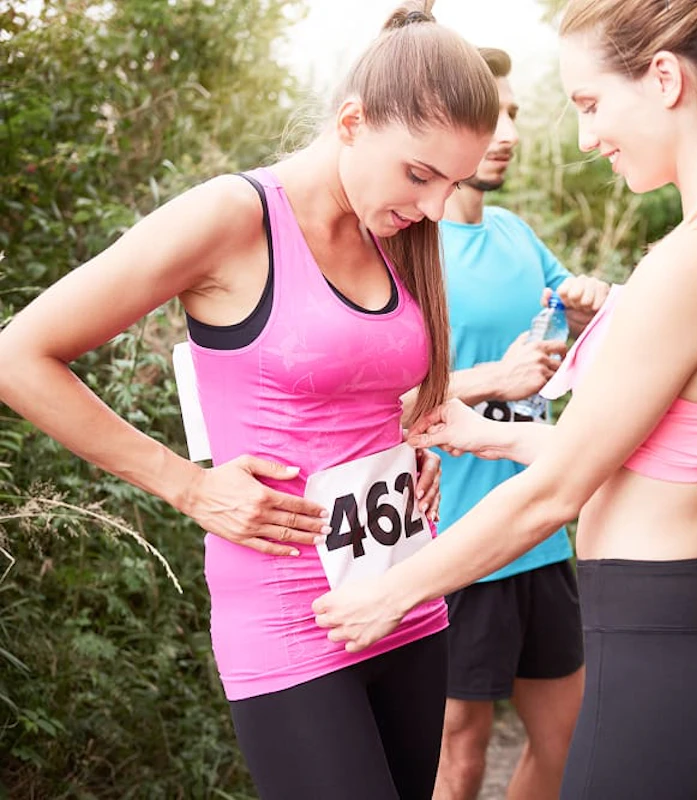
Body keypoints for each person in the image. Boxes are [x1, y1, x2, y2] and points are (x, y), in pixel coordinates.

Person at [312, 0, 697, 797]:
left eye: (589, 104)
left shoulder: (690, 264)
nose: (587, 138)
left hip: (666, 655)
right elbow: (647, 460)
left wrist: (392, 594)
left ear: (663, 79)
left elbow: (557, 494)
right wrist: (495, 435)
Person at [0, 6, 499, 799]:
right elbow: (19, 357)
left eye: (454, 183)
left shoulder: (394, 231)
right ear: (351, 121)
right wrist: (188, 486)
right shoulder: (233, 218)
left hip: (404, 595)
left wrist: (407, 449)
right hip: (286, 621)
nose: (437, 206)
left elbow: (361, 386)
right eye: (420, 174)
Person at [422, 46, 607, 800]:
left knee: (568, 739)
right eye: (490, 115)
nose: (507, 133)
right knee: (458, 757)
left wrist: (593, 305)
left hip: (538, 533)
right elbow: (378, 396)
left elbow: (583, 322)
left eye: (514, 115)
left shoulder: (517, 236)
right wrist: (490, 378)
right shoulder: (410, 248)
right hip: (457, 543)